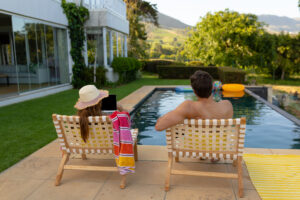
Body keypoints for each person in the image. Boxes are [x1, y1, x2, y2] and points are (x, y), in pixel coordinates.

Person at [155, 70, 233, 131]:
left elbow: (159, 126)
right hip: (220, 149)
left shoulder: (189, 106)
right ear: (212, 87)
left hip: (196, 150)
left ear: (194, 91)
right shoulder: (227, 105)